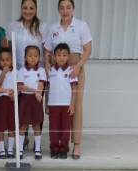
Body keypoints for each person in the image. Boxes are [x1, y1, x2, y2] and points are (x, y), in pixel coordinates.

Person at [44, 0, 92, 159]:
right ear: (58, 9)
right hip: (57, 70)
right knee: (57, 104)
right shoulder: (53, 28)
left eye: (68, 7)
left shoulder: (81, 25)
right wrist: (47, 65)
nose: (65, 11)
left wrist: (78, 66)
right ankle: (57, 144)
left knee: (76, 105)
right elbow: (48, 51)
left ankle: (76, 144)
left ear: (73, 9)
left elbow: (88, 49)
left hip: (75, 66)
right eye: (62, 8)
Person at [47, 43, 77, 159]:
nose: (61, 57)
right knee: (53, 128)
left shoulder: (71, 70)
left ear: (68, 56)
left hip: (66, 105)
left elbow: (75, 88)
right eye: (59, 55)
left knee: (65, 128)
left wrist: (72, 104)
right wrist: (46, 105)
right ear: (54, 56)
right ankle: (54, 148)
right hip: (53, 104)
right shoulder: (50, 71)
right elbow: (47, 88)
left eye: (64, 55)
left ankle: (64, 148)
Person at [17, 45, 46, 161]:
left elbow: (41, 83)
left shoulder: (41, 70)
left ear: (39, 57)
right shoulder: (22, 70)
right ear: (25, 57)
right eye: (30, 56)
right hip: (24, 99)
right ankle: (19, 150)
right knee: (23, 125)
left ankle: (38, 149)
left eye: (35, 56)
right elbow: (20, 86)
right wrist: (35, 91)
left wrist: (38, 92)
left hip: (36, 100)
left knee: (36, 125)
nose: (33, 58)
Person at [8, 0, 48, 69]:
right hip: (18, 71)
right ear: (21, 9)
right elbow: (10, 49)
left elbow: (47, 51)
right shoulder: (13, 26)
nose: (28, 11)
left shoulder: (43, 26)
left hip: (37, 71)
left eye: (31, 8)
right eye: (25, 8)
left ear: (36, 10)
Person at [0, 48, 16, 160]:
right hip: (1, 101)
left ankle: (10, 149)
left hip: (12, 101)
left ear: (12, 60)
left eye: (7, 59)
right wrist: (3, 72)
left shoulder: (16, 72)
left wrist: (14, 95)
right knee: (1, 127)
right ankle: (2, 149)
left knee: (12, 126)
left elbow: (18, 87)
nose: (5, 62)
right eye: (2, 60)